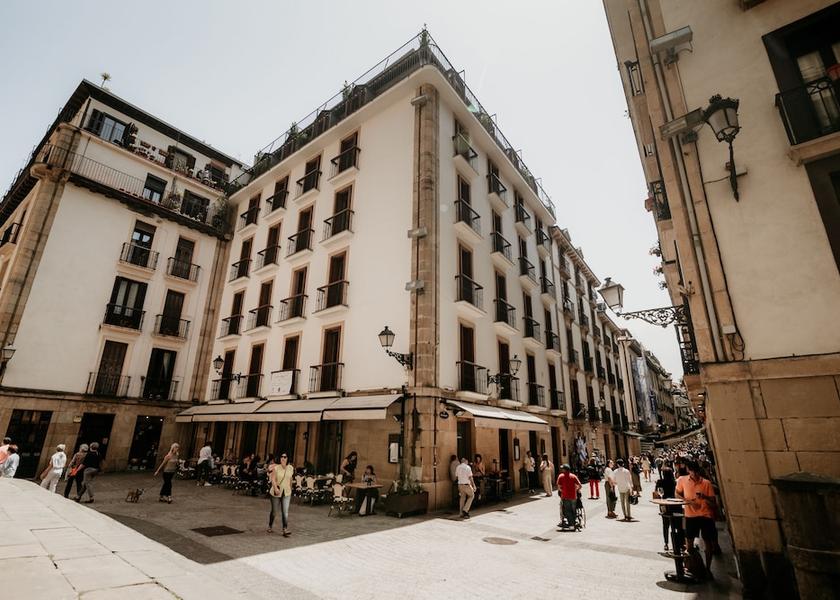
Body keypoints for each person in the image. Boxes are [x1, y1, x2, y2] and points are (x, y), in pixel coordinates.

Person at [676, 460, 717, 575]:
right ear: (689, 470)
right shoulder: (682, 480)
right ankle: (691, 566)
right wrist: (687, 501)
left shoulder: (706, 483)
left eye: (696, 471)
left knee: (708, 544)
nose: (694, 474)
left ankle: (708, 568)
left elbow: (714, 503)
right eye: (692, 471)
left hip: (705, 516)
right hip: (690, 516)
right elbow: (677, 493)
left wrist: (704, 497)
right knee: (688, 543)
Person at [268, 452, 294, 536]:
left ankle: (285, 529)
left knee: (285, 512)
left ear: (287, 459)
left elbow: (290, 479)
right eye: (281, 457)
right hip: (276, 492)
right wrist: (275, 488)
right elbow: (273, 479)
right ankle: (270, 525)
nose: (283, 458)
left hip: (286, 493)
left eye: (285, 457)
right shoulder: (276, 468)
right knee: (274, 512)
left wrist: (290, 489)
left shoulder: (290, 468)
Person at [655, 463, 679, 551]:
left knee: (665, 524)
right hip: (675, 505)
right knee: (677, 524)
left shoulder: (660, 482)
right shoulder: (675, 482)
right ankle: (679, 543)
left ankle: (666, 543)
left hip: (664, 505)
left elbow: (657, 493)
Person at [555, 464, 582, 530]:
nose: (562, 470)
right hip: (573, 496)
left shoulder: (561, 476)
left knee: (568, 511)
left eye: (562, 469)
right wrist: (576, 490)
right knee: (573, 510)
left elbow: (558, 487)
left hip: (565, 496)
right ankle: (574, 522)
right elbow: (580, 485)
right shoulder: (573, 476)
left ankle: (571, 525)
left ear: (565, 470)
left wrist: (562, 490)